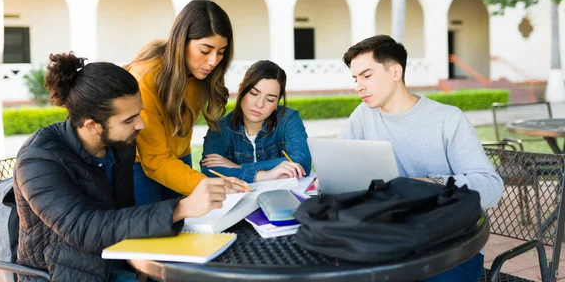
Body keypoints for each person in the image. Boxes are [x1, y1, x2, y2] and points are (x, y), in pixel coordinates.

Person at [14, 53, 244, 282]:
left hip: (115, 260)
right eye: (129, 119)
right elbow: (83, 229)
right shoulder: (39, 160)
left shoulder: (118, 144)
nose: (140, 125)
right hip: (63, 273)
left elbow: (124, 210)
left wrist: (136, 263)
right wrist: (180, 208)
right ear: (92, 125)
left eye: (140, 113)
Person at [339, 35, 503, 282]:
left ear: (395, 71)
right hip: (388, 239)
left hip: (451, 247)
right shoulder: (363, 116)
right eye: (355, 78)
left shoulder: (448, 119)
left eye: (367, 76)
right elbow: (338, 167)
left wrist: (428, 184)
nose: (358, 86)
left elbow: (492, 188)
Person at [126, 0, 235, 204]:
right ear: (181, 41)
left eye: (221, 52)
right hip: (140, 165)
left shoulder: (203, 73)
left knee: (189, 226)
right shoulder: (145, 78)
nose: (213, 61)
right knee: (154, 231)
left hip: (179, 158)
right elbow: (155, 160)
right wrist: (206, 185)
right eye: (205, 50)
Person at [201, 60, 311, 183]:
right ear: (241, 89)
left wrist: (239, 167)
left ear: (276, 103)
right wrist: (261, 175)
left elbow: (301, 162)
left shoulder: (288, 119)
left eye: (270, 99)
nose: (259, 104)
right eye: (253, 93)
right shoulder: (220, 129)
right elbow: (209, 171)